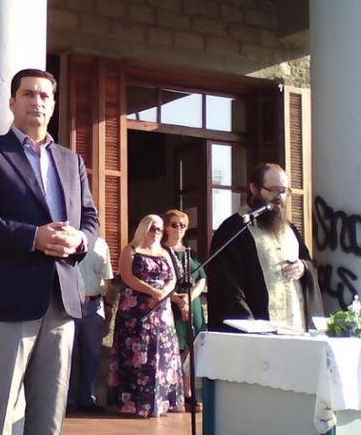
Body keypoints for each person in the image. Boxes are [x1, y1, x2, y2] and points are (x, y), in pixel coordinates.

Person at [0, 68, 99, 435]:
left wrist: (80, 240)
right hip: (7, 298)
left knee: (49, 413)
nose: (37, 101)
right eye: (28, 94)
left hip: (62, 300)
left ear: (54, 104)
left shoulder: (71, 161)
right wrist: (34, 237)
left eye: (44, 95)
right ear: (12, 102)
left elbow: (90, 217)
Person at [207, 163, 324, 332]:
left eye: (284, 191)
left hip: (296, 326)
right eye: (274, 190)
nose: (280, 197)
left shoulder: (290, 229)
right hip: (260, 329)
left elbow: (308, 263)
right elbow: (227, 286)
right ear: (254, 189)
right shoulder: (234, 229)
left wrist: (303, 267)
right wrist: (248, 325)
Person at [108, 214, 184, 417]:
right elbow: (127, 276)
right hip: (136, 311)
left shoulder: (164, 252)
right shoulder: (131, 250)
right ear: (143, 228)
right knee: (138, 356)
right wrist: (152, 291)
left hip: (161, 311)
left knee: (160, 354)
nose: (156, 232)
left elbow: (172, 279)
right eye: (152, 228)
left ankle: (161, 402)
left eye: (159, 229)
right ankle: (133, 404)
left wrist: (163, 293)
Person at [162, 209, 206, 411]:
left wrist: (189, 298)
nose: (178, 229)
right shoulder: (161, 251)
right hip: (171, 303)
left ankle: (189, 393)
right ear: (166, 227)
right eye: (174, 224)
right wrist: (178, 300)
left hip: (192, 302)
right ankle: (172, 393)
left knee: (191, 348)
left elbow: (201, 279)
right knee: (174, 348)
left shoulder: (190, 252)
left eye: (182, 225)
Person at [66, 236, 113, 414]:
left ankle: (88, 398)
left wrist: (109, 305)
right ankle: (68, 400)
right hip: (70, 304)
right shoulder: (69, 239)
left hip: (94, 304)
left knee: (92, 354)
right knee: (69, 353)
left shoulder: (101, 244)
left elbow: (107, 278)